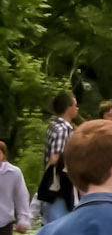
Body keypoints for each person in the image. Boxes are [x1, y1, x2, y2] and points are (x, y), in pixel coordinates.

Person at [37, 91, 79, 225]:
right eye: (75, 105)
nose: (77, 109)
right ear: (69, 108)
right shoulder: (63, 129)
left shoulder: (53, 126)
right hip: (60, 186)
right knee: (59, 225)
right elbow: (55, 158)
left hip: (53, 186)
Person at [0, 140, 31, 235]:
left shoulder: (14, 173)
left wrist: (23, 220)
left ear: (4, 155)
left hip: (4, 221)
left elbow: (21, 197)